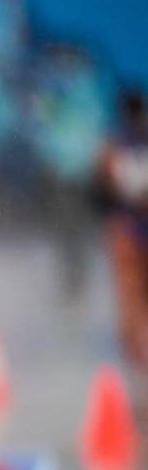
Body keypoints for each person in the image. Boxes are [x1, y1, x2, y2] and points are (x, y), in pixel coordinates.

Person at [101, 89, 148, 373]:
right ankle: (135, 348)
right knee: (135, 290)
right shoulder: (116, 144)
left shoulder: (114, 144)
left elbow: (106, 184)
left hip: (126, 227)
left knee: (130, 291)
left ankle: (133, 348)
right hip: (129, 227)